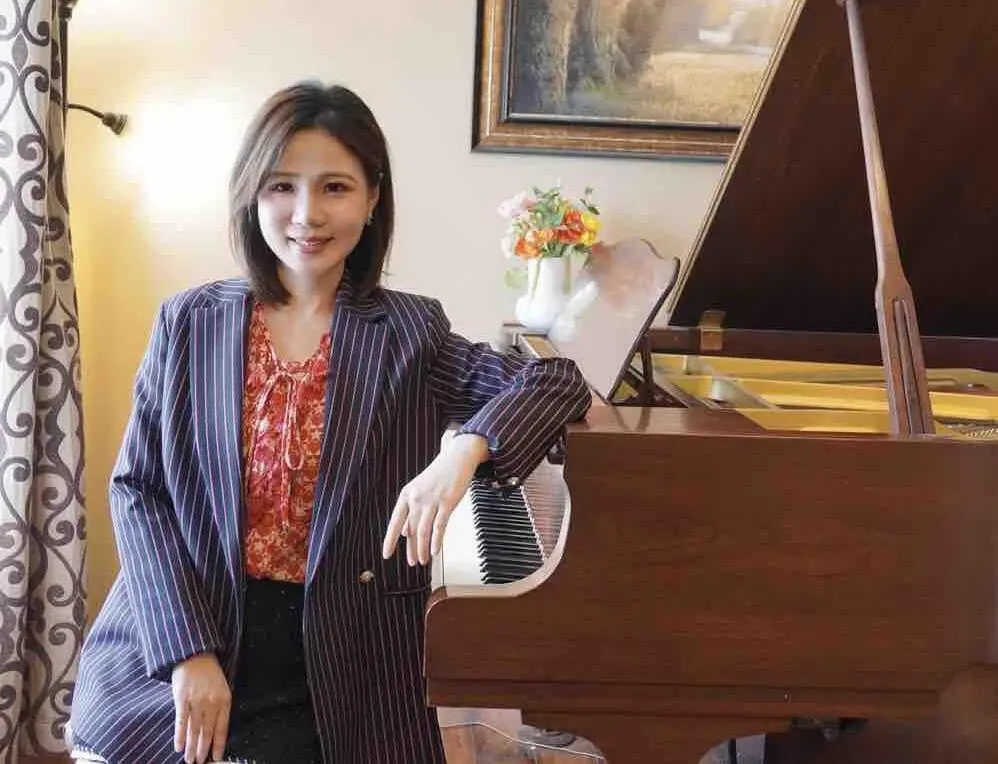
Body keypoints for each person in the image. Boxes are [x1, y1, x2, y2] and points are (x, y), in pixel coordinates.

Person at [68, 81, 592, 764]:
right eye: (282, 186)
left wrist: (464, 449)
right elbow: (137, 491)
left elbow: (556, 380)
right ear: (251, 194)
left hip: (338, 662)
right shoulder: (188, 323)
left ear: (373, 199)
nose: (306, 214)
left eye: (335, 188)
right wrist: (187, 655)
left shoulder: (410, 331)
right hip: (185, 635)